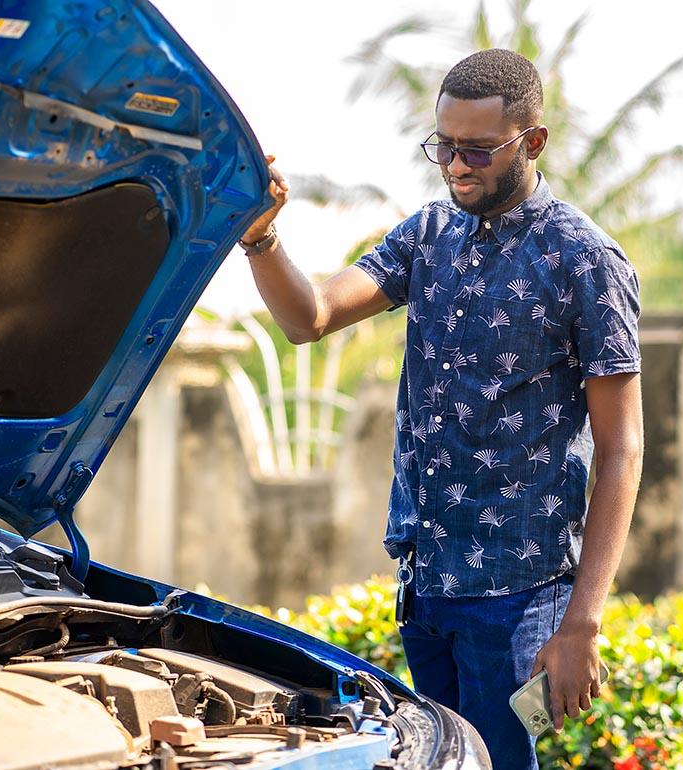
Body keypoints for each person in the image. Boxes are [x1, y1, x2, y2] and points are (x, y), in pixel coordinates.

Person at [239, 48, 643, 769]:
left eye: (479, 150)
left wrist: (582, 623)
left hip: (517, 596)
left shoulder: (586, 261)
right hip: (427, 586)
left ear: (534, 142)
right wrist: (261, 236)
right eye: (444, 147)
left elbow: (622, 449)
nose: (457, 165)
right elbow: (310, 317)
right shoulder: (427, 237)